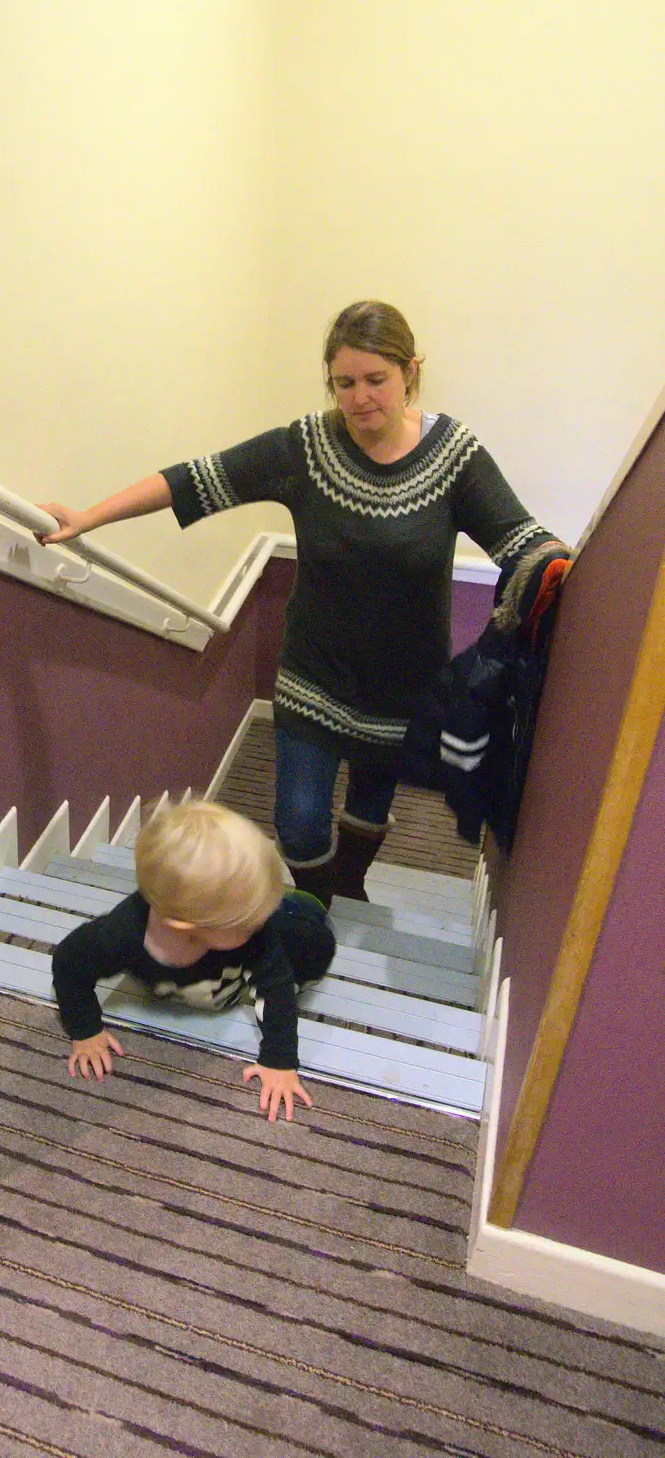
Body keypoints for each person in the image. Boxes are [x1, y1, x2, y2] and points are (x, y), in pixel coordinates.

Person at [39, 301, 563, 906]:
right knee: (299, 821)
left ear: (410, 372)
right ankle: (316, 903)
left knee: (371, 802)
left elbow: (519, 538)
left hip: (406, 686)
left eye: (376, 380)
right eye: (344, 383)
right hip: (312, 676)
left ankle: (352, 886)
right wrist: (87, 517)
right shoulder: (304, 450)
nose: (360, 397)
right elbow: (192, 480)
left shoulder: (454, 456)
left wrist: (562, 568)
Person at [51, 800, 336, 1123]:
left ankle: (297, 902)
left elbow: (278, 990)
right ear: (187, 928)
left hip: (299, 922)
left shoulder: (255, 933)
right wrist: (84, 1029)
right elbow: (68, 963)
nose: (259, 924)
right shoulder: (122, 935)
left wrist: (280, 1060)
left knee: (316, 942)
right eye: (249, 921)